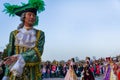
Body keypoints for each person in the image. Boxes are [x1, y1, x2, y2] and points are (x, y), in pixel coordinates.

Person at [2, 0, 45, 80]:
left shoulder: (40, 34)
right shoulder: (14, 34)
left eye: (34, 15)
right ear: (23, 17)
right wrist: (6, 75)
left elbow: (38, 52)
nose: (32, 17)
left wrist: (20, 57)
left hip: (33, 74)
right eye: (30, 15)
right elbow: (10, 56)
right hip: (16, 73)